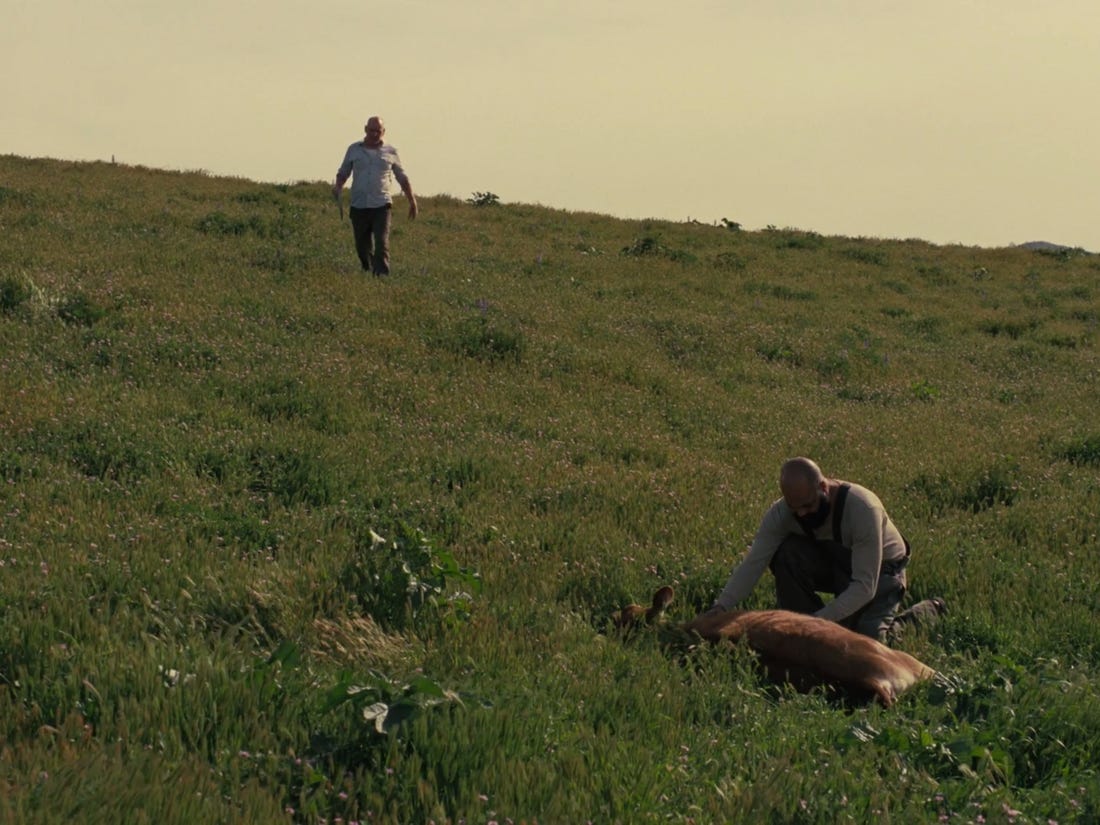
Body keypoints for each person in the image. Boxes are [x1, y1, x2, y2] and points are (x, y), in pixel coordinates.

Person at [707, 457, 944, 641]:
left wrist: (819, 621)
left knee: (868, 643)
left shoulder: (862, 509)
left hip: (881, 573)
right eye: (795, 508)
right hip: (837, 563)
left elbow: (864, 587)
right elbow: (754, 562)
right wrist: (721, 608)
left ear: (823, 487)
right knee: (787, 553)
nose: (802, 514)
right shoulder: (782, 513)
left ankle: (927, 612)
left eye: (808, 505)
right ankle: (801, 631)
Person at [333, 116, 418, 276]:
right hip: (359, 205)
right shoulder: (354, 149)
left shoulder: (391, 151)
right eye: (371, 130)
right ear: (365, 129)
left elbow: (402, 176)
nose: (374, 134)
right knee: (362, 246)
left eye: (377, 131)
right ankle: (368, 268)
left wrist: (411, 200)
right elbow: (344, 171)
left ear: (383, 132)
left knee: (381, 242)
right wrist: (338, 186)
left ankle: (382, 276)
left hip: (381, 204)